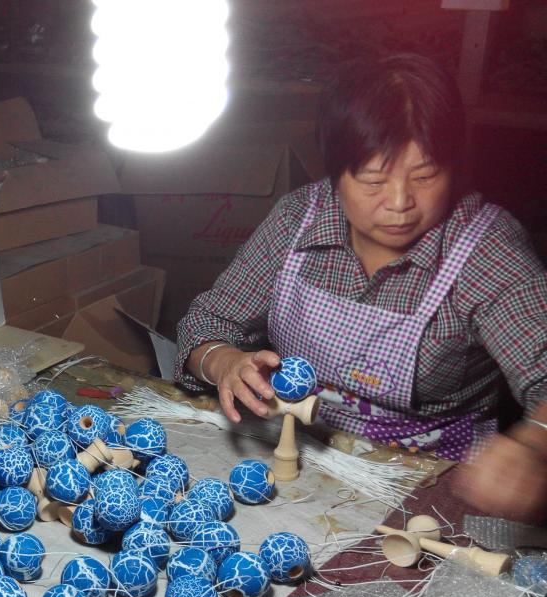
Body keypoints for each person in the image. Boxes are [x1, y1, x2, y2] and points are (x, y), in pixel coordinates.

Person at [173, 53, 547, 520]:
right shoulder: (298, 221)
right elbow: (207, 322)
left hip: (434, 481)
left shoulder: (484, 250)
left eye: (425, 176)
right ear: (335, 172)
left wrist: (533, 444)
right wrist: (222, 361)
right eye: (373, 180)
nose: (400, 202)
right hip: (299, 451)